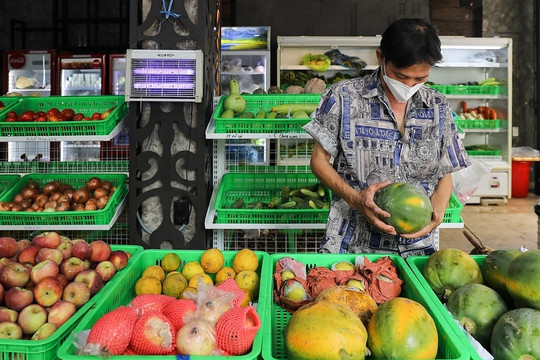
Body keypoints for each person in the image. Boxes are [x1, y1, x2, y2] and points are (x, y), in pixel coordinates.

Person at [303, 18, 471, 257]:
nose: (410, 85)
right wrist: (355, 199)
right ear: (381, 58)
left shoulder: (437, 106)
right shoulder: (342, 97)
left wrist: (438, 209)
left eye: (420, 79)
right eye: (401, 76)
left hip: (417, 247)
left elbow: (446, 172)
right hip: (351, 243)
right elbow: (318, 162)